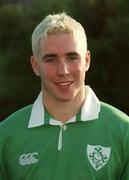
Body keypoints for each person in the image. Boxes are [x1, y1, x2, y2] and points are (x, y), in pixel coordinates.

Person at [0, 12, 129, 180]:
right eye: (51, 59)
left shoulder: (123, 131)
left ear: (87, 60)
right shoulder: (6, 135)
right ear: (35, 65)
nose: (63, 71)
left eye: (72, 57)